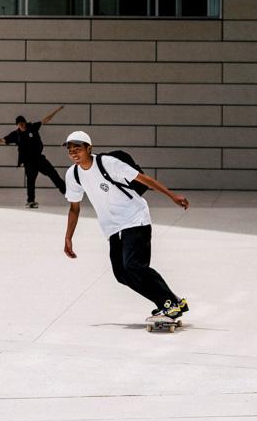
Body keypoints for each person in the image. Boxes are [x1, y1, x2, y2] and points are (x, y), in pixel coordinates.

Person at [61, 130, 191, 322]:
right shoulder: (73, 175)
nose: (73, 152)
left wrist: (172, 196)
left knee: (134, 266)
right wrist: (68, 237)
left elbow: (143, 179)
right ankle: (171, 302)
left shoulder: (107, 163)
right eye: (70, 149)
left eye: (77, 148)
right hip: (112, 227)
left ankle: (169, 303)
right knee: (121, 274)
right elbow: (74, 207)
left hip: (135, 218)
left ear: (89, 148)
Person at [0, 106, 67, 209]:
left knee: (53, 174)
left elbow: (45, 120)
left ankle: (67, 192)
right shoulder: (16, 135)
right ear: (17, 125)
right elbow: (2, 140)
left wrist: (56, 111)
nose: (22, 125)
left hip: (39, 159)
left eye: (23, 123)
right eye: (19, 124)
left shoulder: (32, 127)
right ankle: (31, 201)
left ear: (25, 122)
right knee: (30, 181)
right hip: (28, 162)